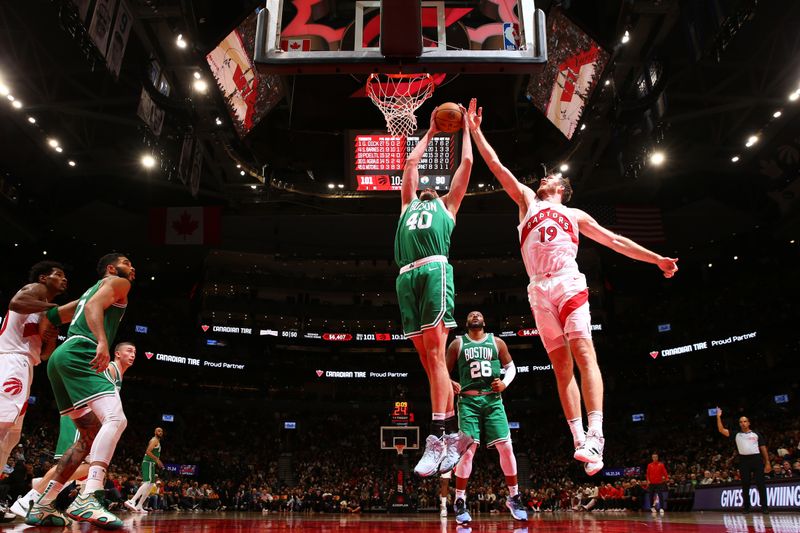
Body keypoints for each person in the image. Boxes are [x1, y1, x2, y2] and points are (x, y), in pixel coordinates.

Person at [465, 104, 679, 475]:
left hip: (566, 281)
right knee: (561, 366)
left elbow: (615, 241)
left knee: (583, 352)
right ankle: (579, 440)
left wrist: (657, 259)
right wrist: (475, 131)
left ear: (562, 190)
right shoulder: (526, 202)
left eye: (551, 179)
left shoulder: (575, 215)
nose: (543, 180)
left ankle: (597, 436)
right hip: (538, 290)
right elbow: (497, 167)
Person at [394, 101, 476, 477]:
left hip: (433, 271)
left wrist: (467, 133)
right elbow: (410, 166)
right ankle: (450, 433)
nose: (426, 185)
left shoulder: (448, 207)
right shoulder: (407, 204)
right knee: (429, 362)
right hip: (405, 278)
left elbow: (467, 166)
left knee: (436, 355)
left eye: (432, 184)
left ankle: (438, 436)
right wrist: (429, 131)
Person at [26, 253, 135, 528]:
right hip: (81, 351)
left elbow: (51, 316)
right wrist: (101, 341)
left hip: (61, 358)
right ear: (111, 269)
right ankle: (90, 495)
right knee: (116, 419)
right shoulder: (118, 283)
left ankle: (44, 503)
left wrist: (47, 347)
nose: (132, 268)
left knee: (87, 437)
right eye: (127, 263)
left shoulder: (88, 292)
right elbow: (95, 307)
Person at [11, 342, 136, 518]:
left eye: (135, 352)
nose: (133, 355)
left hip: (85, 417)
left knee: (80, 466)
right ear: (117, 353)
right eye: (129, 351)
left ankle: (41, 492)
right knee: (82, 464)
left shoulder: (118, 375)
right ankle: (31, 498)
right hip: (84, 417)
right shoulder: (110, 368)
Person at [444, 311, 527, 525]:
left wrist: (505, 383)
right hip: (468, 402)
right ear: (466, 322)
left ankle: (514, 497)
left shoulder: (496, 342)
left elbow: (511, 368)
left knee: (506, 447)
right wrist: (450, 382)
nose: (474, 316)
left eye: (478, 314)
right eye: (471, 315)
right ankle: (459, 500)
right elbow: (441, 371)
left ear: (484, 321)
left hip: (493, 400)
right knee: (468, 452)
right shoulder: (457, 344)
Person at [0, 262, 69, 469]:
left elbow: (45, 355)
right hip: (12, 359)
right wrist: (52, 309)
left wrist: (51, 337)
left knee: (11, 436)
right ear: (43, 278)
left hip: (25, 365)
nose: (64, 279)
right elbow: (15, 302)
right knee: (2, 425)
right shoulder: (37, 290)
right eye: (58, 274)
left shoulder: (42, 310)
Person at [716, 407, 771, 514]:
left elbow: (763, 448)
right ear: (739, 424)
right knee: (745, 485)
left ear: (749, 423)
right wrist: (718, 417)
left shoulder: (756, 434)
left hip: (757, 459)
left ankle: (764, 507)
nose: (743, 423)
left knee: (761, 484)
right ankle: (746, 507)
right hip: (744, 461)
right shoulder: (736, 434)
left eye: (745, 421)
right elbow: (721, 430)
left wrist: (767, 462)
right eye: (741, 422)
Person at [125, 427, 164, 513]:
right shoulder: (154, 440)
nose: (160, 432)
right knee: (147, 482)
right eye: (158, 430)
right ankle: (132, 501)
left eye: (161, 431)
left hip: (151, 464)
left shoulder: (157, 441)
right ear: (155, 432)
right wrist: (157, 460)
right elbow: (148, 451)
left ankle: (139, 505)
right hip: (148, 463)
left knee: (150, 485)